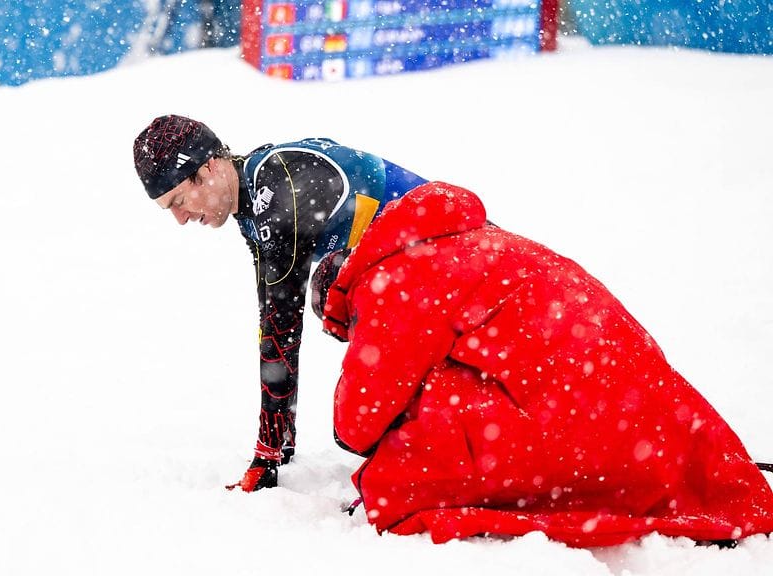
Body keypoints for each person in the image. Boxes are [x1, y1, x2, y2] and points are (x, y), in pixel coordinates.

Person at [311, 180, 773, 546]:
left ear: (341, 292)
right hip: (635, 402)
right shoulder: (481, 242)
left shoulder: (387, 280)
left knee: (404, 457)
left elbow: (358, 422)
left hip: (577, 417)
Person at [132, 114, 428, 491]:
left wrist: (267, 453)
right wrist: (278, 442)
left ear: (208, 168)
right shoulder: (253, 196)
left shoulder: (279, 185)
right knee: (337, 289)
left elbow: (282, 328)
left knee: (356, 416)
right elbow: (270, 319)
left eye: (177, 200)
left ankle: (410, 459)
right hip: (433, 260)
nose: (179, 219)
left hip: (462, 256)